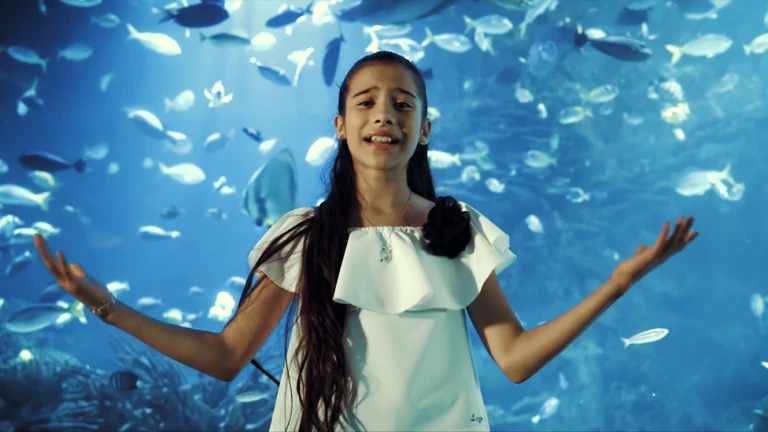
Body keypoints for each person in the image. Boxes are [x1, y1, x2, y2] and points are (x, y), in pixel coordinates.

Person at [33, 51, 698, 432]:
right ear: (340, 124)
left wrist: (618, 284)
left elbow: (515, 359)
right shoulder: (302, 234)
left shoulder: (458, 228)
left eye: (404, 103)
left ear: (425, 128)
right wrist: (108, 307)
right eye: (368, 102)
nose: (386, 114)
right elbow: (228, 355)